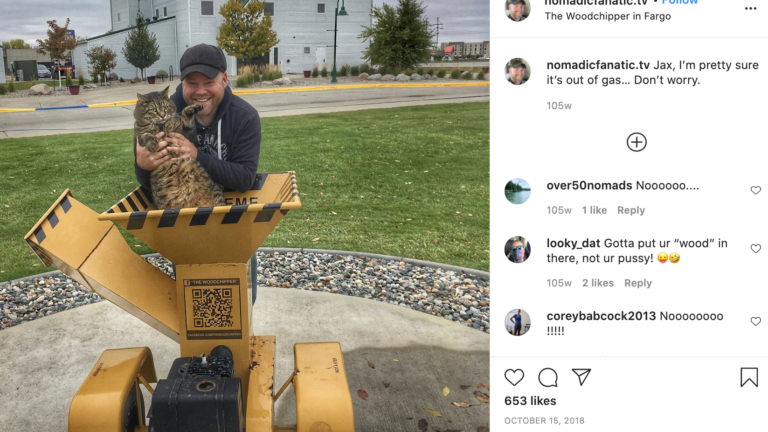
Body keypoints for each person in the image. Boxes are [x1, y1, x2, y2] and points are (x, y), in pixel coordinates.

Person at [134, 43, 261, 194]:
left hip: (229, 206)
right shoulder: (162, 114)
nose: (200, 91)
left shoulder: (244, 116)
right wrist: (142, 167)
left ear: (224, 80)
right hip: (178, 207)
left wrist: (196, 156)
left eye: (209, 82)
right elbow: (151, 184)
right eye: (192, 83)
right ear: (182, 83)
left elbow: (245, 179)